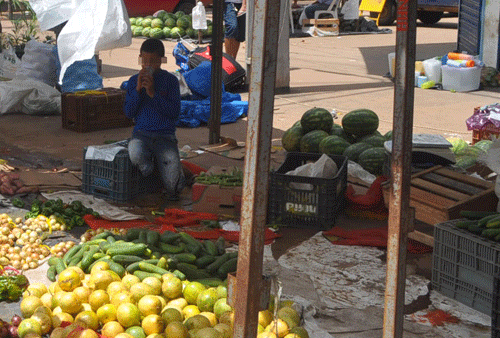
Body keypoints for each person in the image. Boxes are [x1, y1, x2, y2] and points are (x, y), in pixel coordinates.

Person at [124, 38, 185, 203]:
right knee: (135, 153)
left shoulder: (171, 81)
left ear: (162, 61)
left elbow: (174, 113)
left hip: (165, 137)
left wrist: (152, 93)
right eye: (144, 61)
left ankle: (172, 173)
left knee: (174, 190)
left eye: (153, 61)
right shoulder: (132, 81)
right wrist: (138, 90)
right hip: (142, 136)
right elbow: (129, 112)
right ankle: (153, 171)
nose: (148, 65)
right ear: (140, 59)